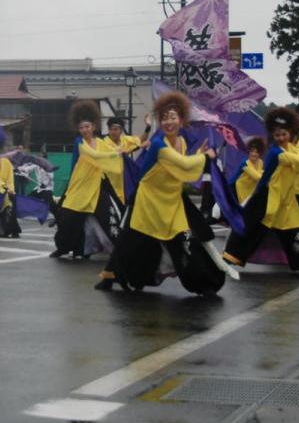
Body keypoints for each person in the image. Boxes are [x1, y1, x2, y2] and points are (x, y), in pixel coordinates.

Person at [95, 92, 229, 294]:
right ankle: (109, 277)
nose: (168, 122)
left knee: (185, 240)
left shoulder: (182, 143)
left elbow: (181, 169)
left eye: (173, 117)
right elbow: (182, 163)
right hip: (148, 199)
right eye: (164, 118)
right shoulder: (159, 144)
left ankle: (205, 282)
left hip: (171, 199)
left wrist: (198, 156)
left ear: (181, 120)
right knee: (129, 241)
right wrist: (206, 157)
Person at [222, 107, 299, 273]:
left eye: (284, 134)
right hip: (269, 196)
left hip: (288, 199)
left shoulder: (291, 148)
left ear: (291, 133)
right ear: (273, 136)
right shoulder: (277, 152)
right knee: (251, 226)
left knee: (293, 230)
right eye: (277, 135)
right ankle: (231, 256)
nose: (281, 138)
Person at [50, 101, 123, 260]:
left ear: (94, 127)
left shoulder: (102, 143)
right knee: (67, 218)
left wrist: (139, 143)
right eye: (81, 127)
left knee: (109, 216)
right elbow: (93, 156)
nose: (84, 130)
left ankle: (119, 249)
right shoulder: (80, 142)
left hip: (97, 184)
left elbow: (115, 151)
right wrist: (114, 154)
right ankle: (63, 248)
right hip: (80, 184)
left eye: (87, 126)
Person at [102, 116, 144, 204]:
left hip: (124, 182)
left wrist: (148, 127)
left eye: (116, 129)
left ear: (121, 130)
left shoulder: (125, 140)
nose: (113, 132)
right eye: (111, 129)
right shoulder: (104, 143)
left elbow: (140, 140)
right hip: (109, 183)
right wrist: (124, 151)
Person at [232, 138, 265, 206]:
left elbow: (259, 175)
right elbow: (257, 177)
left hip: (250, 188)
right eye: (251, 151)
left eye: (256, 152)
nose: (253, 154)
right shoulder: (245, 163)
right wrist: (266, 173)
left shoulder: (260, 162)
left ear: (260, 153)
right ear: (248, 151)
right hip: (238, 188)